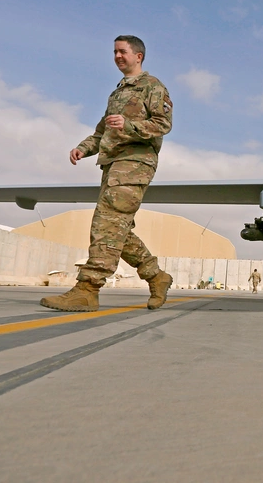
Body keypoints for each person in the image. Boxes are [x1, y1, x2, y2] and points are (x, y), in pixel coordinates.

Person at [40, 35, 174, 312]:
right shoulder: (117, 94)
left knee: (106, 223)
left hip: (136, 163)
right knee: (116, 229)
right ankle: (156, 276)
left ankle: (88, 289)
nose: (117, 56)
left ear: (139, 56)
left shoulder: (152, 86)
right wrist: (83, 148)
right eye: (114, 52)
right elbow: (103, 132)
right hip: (113, 163)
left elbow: (162, 124)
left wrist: (129, 124)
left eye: (122, 51)